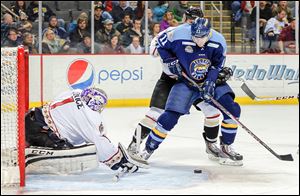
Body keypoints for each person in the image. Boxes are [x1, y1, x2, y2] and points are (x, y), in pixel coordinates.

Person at [127, 7, 237, 166]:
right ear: (186, 19)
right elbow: (154, 50)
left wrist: (216, 74)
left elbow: (211, 59)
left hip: (195, 81)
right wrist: (170, 59)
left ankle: (211, 145)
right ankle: (134, 145)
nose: (192, 23)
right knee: (155, 113)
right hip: (171, 79)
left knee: (212, 112)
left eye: (195, 19)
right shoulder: (174, 32)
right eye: (190, 19)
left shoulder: (209, 37)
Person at [25, 87, 147, 174]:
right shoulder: (92, 118)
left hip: (29, 118)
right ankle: (32, 154)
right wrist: (120, 160)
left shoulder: (75, 92)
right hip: (42, 133)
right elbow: (101, 144)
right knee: (71, 154)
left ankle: (28, 144)